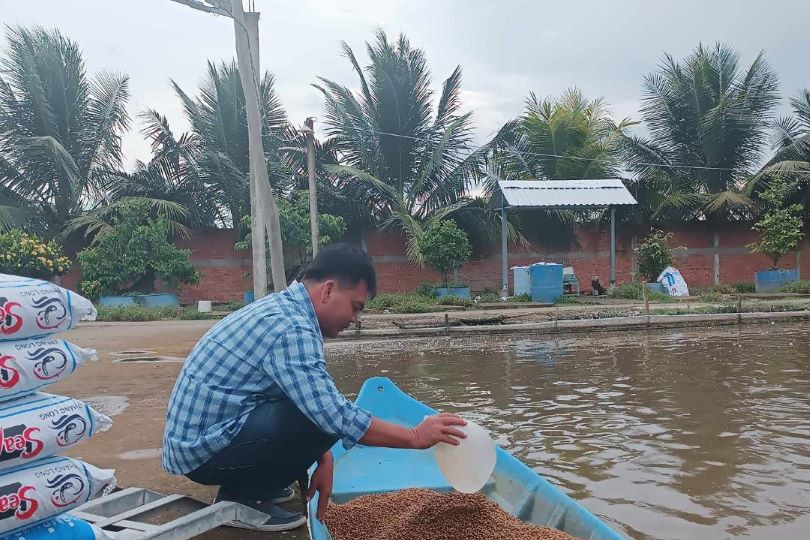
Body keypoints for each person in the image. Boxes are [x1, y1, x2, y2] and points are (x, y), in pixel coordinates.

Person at [162, 243, 466, 531]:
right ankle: (242, 499)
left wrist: (323, 455)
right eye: (355, 307)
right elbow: (332, 414)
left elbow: (304, 396)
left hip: (204, 440)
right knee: (327, 419)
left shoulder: (285, 309)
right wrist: (414, 436)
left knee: (320, 417)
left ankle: (254, 484)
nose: (354, 318)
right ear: (329, 290)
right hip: (201, 454)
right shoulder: (293, 327)